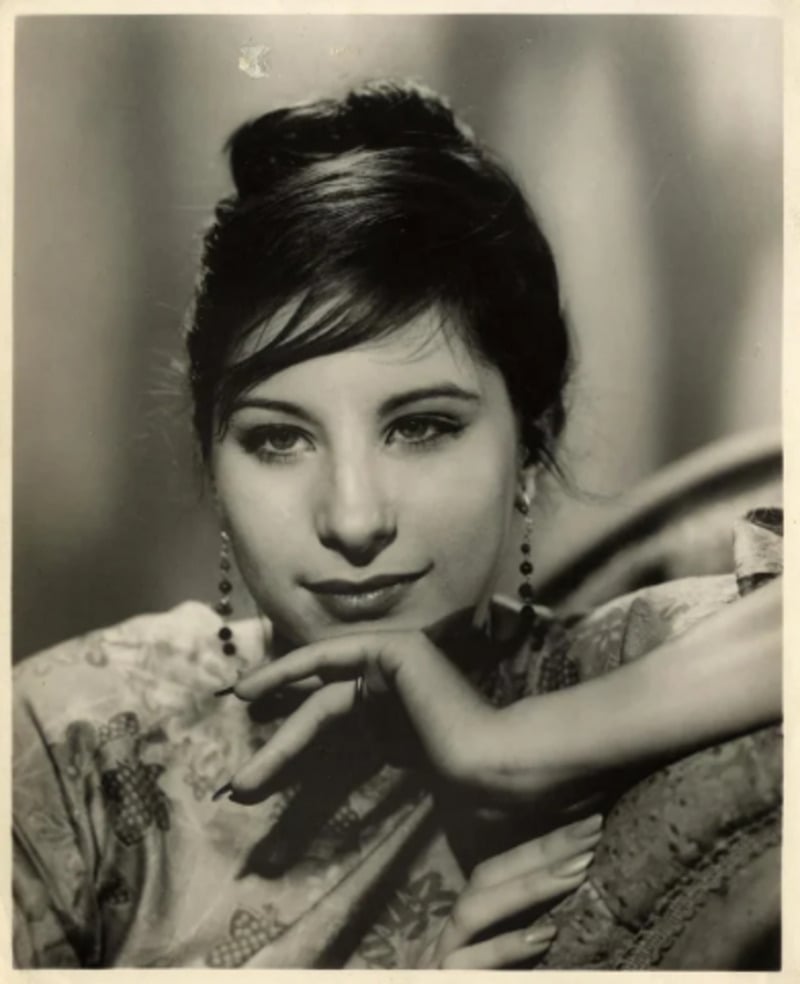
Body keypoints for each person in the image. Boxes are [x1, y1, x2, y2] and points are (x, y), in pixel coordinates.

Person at [12, 80, 782, 969]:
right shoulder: (72, 743)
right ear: (212, 461)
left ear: (531, 443)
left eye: (421, 427)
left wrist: (511, 743)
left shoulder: (603, 675)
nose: (353, 517)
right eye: (277, 440)